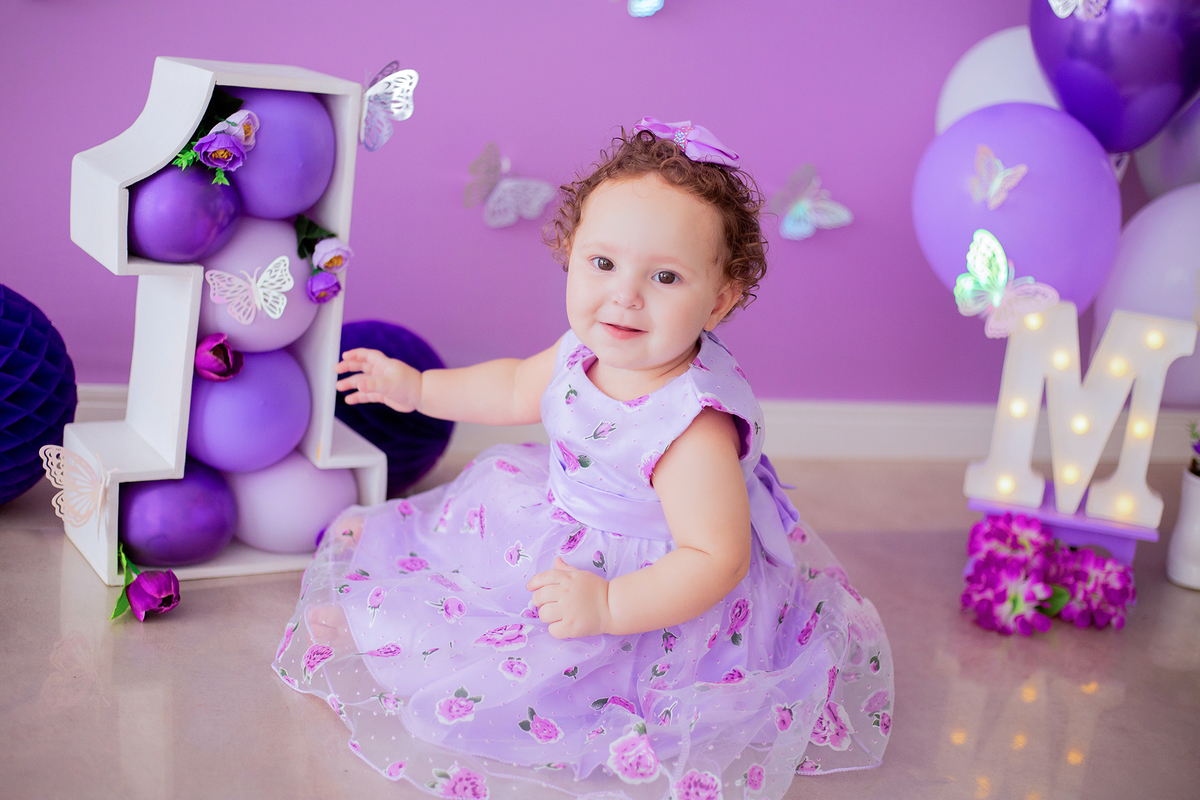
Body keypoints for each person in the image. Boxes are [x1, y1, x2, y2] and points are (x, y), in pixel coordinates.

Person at [272, 118, 893, 800]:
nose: (624, 295)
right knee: (467, 579)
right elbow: (511, 385)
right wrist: (416, 389)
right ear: (571, 255)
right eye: (603, 264)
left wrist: (610, 604)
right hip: (560, 514)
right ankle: (386, 630)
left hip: (648, 578)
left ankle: (465, 657)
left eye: (664, 276)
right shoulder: (584, 347)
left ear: (718, 301)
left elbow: (717, 558)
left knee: (554, 660)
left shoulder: (691, 429)